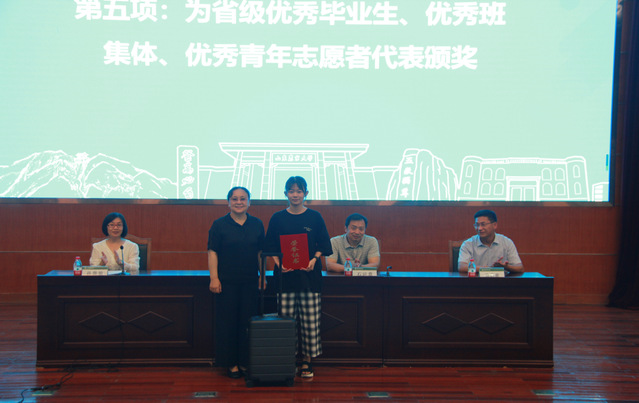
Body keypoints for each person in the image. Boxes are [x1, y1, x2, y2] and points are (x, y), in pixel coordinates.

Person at [264, 176, 332, 379]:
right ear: (285, 194)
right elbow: (270, 246)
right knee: (286, 321)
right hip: (285, 279)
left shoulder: (315, 217)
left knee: (310, 322)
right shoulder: (277, 217)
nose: (295, 195)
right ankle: (288, 359)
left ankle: (307, 360)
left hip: (309, 278)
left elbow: (323, 245)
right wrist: (279, 263)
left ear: (306, 194)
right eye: (291, 191)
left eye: (299, 191)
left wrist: (314, 259)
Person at [207, 186, 265, 379]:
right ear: (228, 202)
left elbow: (260, 253)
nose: (239, 202)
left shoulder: (257, 224)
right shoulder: (219, 224)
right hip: (226, 282)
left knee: (247, 323)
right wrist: (214, 277)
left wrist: (263, 276)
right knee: (228, 323)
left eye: (243, 198)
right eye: (234, 199)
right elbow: (212, 252)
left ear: (249, 202)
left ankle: (245, 361)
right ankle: (231, 363)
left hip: (250, 281)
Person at [458, 209, 524, 274]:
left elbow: (519, 268)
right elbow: (462, 267)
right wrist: (488, 269)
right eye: (477, 225)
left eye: (483, 224)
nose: (479, 228)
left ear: (494, 225)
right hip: (477, 279)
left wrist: (506, 267)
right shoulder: (468, 244)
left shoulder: (506, 242)